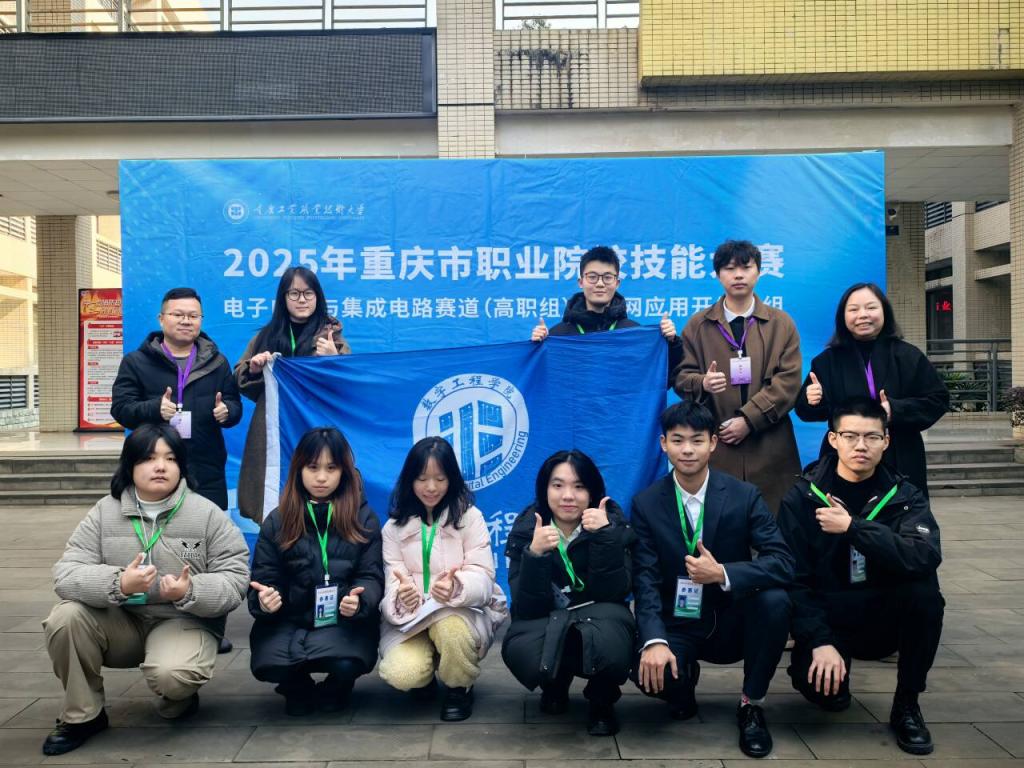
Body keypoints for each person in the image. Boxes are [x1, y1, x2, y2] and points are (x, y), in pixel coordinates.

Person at [41, 424, 249, 756]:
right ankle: (83, 715)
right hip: (120, 621)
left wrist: (189, 590)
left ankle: (179, 697)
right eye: (149, 458)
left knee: (173, 675)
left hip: (181, 620)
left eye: (170, 458)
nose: (160, 466)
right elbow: (66, 574)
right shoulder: (104, 512)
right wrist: (118, 583)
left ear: (182, 466)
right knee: (65, 619)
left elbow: (236, 576)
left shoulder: (206, 513)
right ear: (130, 465)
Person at [778, 398, 944, 755]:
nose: (861, 446)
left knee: (926, 593)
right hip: (830, 616)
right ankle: (831, 675)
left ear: (886, 441)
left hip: (882, 616)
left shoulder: (904, 495)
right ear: (833, 439)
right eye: (850, 436)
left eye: (872, 437)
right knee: (822, 692)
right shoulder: (803, 497)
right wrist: (819, 640)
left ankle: (907, 704)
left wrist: (854, 527)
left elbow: (924, 555)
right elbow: (792, 578)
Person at [631, 400, 794, 758]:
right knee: (643, 663)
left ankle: (751, 705)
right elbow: (644, 579)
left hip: (732, 621)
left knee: (776, 601)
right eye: (678, 440)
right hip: (679, 621)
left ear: (713, 444)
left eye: (697, 440)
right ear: (663, 444)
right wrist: (654, 640)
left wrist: (722, 573)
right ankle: (682, 684)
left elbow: (783, 562)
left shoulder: (743, 495)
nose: (687, 450)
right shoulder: (646, 503)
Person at [248, 427, 383, 715]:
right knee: (271, 664)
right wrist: (265, 600)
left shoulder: (363, 518)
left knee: (345, 662)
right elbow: (264, 577)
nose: (321, 477)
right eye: (312, 467)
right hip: (288, 619)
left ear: (344, 472)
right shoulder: (277, 520)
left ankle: (338, 685)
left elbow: (371, 576)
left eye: (331, 468)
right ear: (299, 469)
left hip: (343, 620)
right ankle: (296, 686)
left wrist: (359, 601)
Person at [502, 450, 636, 736]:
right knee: (530, 639)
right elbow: (527, 606)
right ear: (544, 489)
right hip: (547, 617)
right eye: (558, 485)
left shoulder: (612, 524)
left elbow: (614, 592)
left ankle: (602, 700)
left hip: (600, 616)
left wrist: (605, 537)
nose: (568, 496)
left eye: (579, 486)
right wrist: (534, 555)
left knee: (610, 638)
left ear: (593, 492)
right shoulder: (528, 527)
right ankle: (555, 684)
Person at [377, 437, 508, 721]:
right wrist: (402, 596)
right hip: (411, 621)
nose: (431, 487)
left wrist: (457, 587)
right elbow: (391, 582)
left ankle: (459, 687)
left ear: (452, 479)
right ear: (409, 480)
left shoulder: (470, 518)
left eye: (440, 478)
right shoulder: (392, 528)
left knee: (451, 629)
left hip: (457, 612)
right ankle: (422, 680)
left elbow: (483, 576)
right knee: (402, 674)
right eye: (422, 478)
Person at [673, 239, 802, 513]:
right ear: (718, 275)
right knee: (721, 521)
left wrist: (749, 419)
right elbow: (681, 378)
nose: (738, 275)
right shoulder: (698, 325)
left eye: (746, 267)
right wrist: (702, 383)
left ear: (759, 272)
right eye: (730, 269)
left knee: (774, 521)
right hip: (719, 444)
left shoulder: (781, 323)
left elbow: (788, 382)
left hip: (771, 445)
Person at [796, 283, 949, 496]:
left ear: (884, 311)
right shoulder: (827, 361)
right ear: (843, 317)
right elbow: (805, 411)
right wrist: (811, 400)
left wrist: (894, 410)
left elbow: (938, 399)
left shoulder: (908, 356)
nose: (863, 315)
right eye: (854, 309)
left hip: (899, 454)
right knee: (842, 512)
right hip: (844, 459)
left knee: (901, 512)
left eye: (871, 307)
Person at [235, 267, 351, 524]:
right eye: (294, 293)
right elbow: (240, 379)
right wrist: (254, 369)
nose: (302, 300)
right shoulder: (266, 336)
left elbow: (347, 385)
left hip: (315, 425)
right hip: (273, 427)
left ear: (318, 297)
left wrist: (335, 360)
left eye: (308, 293)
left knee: (319, 496)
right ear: (283, 298)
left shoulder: (331, 335)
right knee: (273, 501)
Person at [111, 287, 243, 511]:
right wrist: (155, 409)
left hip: (205, 468)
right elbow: (121, 409)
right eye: (178, 314)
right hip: (154, 465)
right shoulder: (136, 362)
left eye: (193, 316)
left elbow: (234, 403)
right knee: (155, 526)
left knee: (205, 528)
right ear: (161, 319)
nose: (186, 321)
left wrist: (227, 411)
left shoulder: (217, 362)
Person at [530, 245, 683, 385]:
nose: (600, 284)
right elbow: (538, 382)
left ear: (617, 283)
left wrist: (671, 343)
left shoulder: (633, 333)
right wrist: (537, 347)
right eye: (592, 277)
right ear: (581, 282)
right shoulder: (559, 335)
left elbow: (662, 379)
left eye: (608, 277)